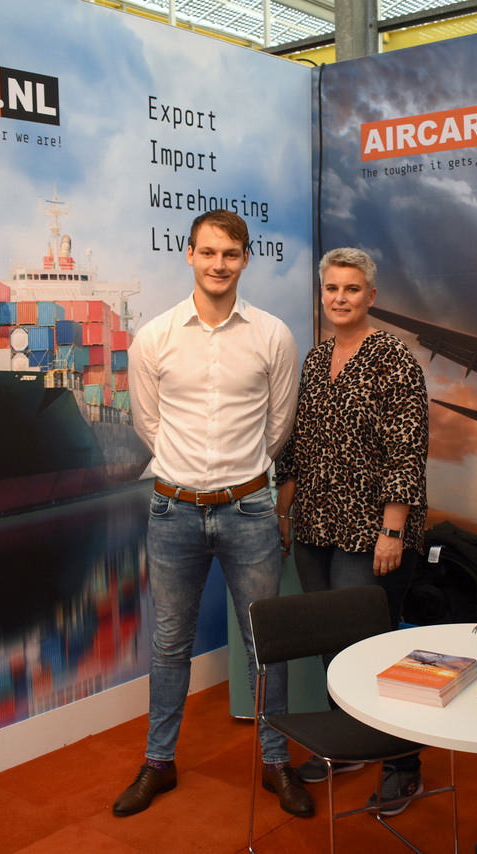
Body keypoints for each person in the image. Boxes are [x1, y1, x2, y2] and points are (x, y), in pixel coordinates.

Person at [112, 210, 310, 819]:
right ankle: (158, 762)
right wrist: (190, 473)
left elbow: (278, 427)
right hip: (173, 510)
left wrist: (239, 473)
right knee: (170, 642)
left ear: (246, 258)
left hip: (249, 510)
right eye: (208, 252)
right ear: (190, 255)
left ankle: (276, 762)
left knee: (264, 644)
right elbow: (149, 424)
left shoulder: (273, 336)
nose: (218, 264)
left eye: (230, 253)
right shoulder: (155, 338)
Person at [274, 246, 429, 816]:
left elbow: (408, 450)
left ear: (371, 295)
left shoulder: (394, 359)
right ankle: (349, 744)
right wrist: (284, 513)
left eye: (352, 288)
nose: (340, 298)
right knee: (332, 643)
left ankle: (402, 766)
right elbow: (298, 444)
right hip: (315, 524)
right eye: (332, 288)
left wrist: (393, 529)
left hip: (371, 529)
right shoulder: (316, 360)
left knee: (373, 647)